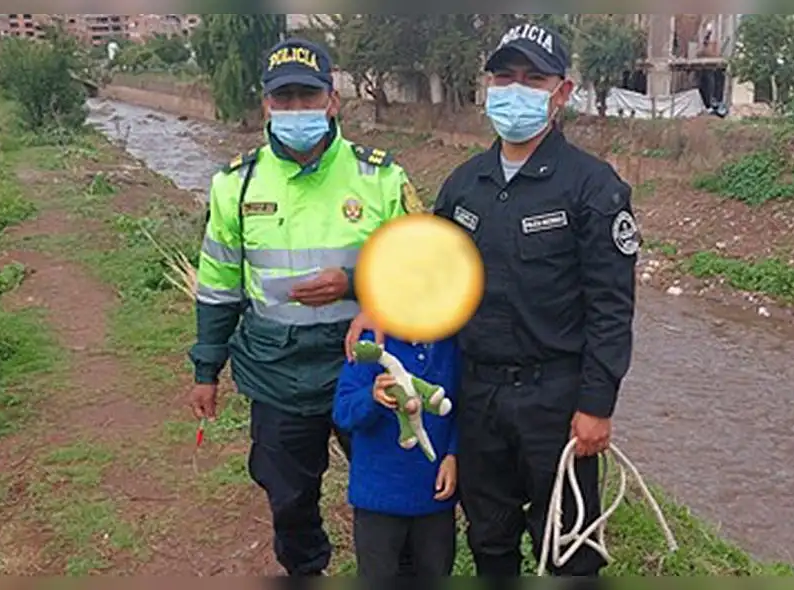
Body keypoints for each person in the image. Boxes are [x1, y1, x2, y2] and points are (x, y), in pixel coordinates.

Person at [346, 21, 640, 577]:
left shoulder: (592, 187)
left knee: (569, 547)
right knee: (489, 537)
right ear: (488, 87)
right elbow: (430, 270)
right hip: (477, 392)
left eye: (533, 78)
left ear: (562, 92)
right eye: (505, 76)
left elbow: (611, 306)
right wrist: (380, 305)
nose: (516, 90)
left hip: (555, 397)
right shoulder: (464, 184)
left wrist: (597, 404)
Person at [188, 37, 425, 577]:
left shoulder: (380, 177)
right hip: (278, 374)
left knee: (392, 490)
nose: (297, 110)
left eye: (308, 96)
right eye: (285, 98)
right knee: (289, 497)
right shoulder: (235, 184)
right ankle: (305, 570)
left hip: (366, 369)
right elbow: (219, 286)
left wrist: (353, 281)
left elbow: (422, 267)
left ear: (332, 100)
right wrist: (206, 370)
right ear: (267, 104)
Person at [332, 331, 460, 577]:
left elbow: (461, 405)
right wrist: (371, 396)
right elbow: (343, 412)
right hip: (379, 497)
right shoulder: (371, 347)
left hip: (433, 494)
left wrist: (453, 454)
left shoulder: (448, 345)